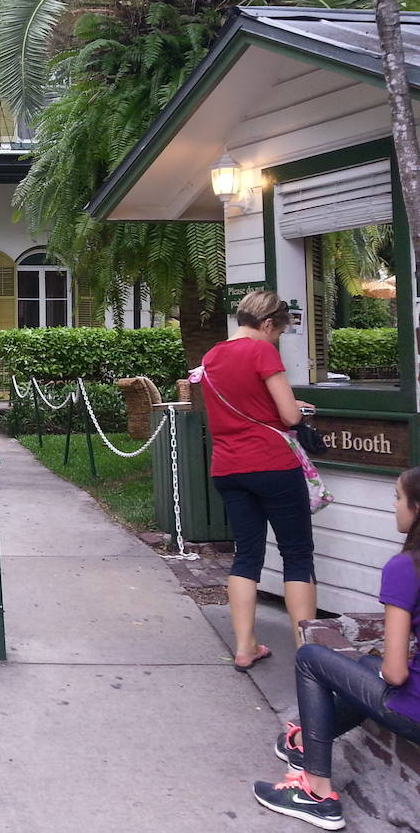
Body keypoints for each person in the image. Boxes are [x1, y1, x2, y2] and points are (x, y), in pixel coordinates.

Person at [252, 466, 420, 829]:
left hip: (415, 713)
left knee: (311, 658)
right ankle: (304, 743)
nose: (393, 506)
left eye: (398, 497)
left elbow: (395, 673)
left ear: (417, 508)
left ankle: (316, 791)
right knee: (361, 665)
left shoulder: (406, 568)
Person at [198, 290, 315, 670]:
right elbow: (289, 415)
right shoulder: (262, 351)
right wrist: (296, 408)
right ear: (267, 324)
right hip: (272, 463)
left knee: (247, 555)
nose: (277, 339)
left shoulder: (212, 356)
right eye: (278, 332)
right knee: (296, 555)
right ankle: (309, 654)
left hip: (228, 467)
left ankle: (245, 647)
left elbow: (240, 404)